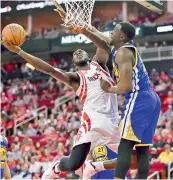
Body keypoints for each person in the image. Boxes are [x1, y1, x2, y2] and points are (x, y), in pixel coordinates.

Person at [2, 39, 120, 180]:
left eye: (81, 50)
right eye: (74, 53)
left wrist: (85, 29)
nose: (78, 51)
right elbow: (48, 69)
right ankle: (56, 168)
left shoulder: (99, 64)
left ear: (90, 57)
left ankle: (93, 167)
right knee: (73, 164)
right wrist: (20, 52)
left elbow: (104, 45)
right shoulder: (75, 79)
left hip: (113, 121)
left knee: (132, 160)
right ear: (74, 65)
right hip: (92, 122)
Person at [78, 21, 161, 179]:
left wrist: (108, 88)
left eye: (114, 30)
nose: (111, 32)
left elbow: (125, 87)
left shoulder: (123, 52)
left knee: (125, 146)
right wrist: (84, 29)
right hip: (151, 99)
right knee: (142, 150)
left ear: (121, 36)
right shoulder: (122, 48)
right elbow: (103, 39)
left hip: (139, 97)